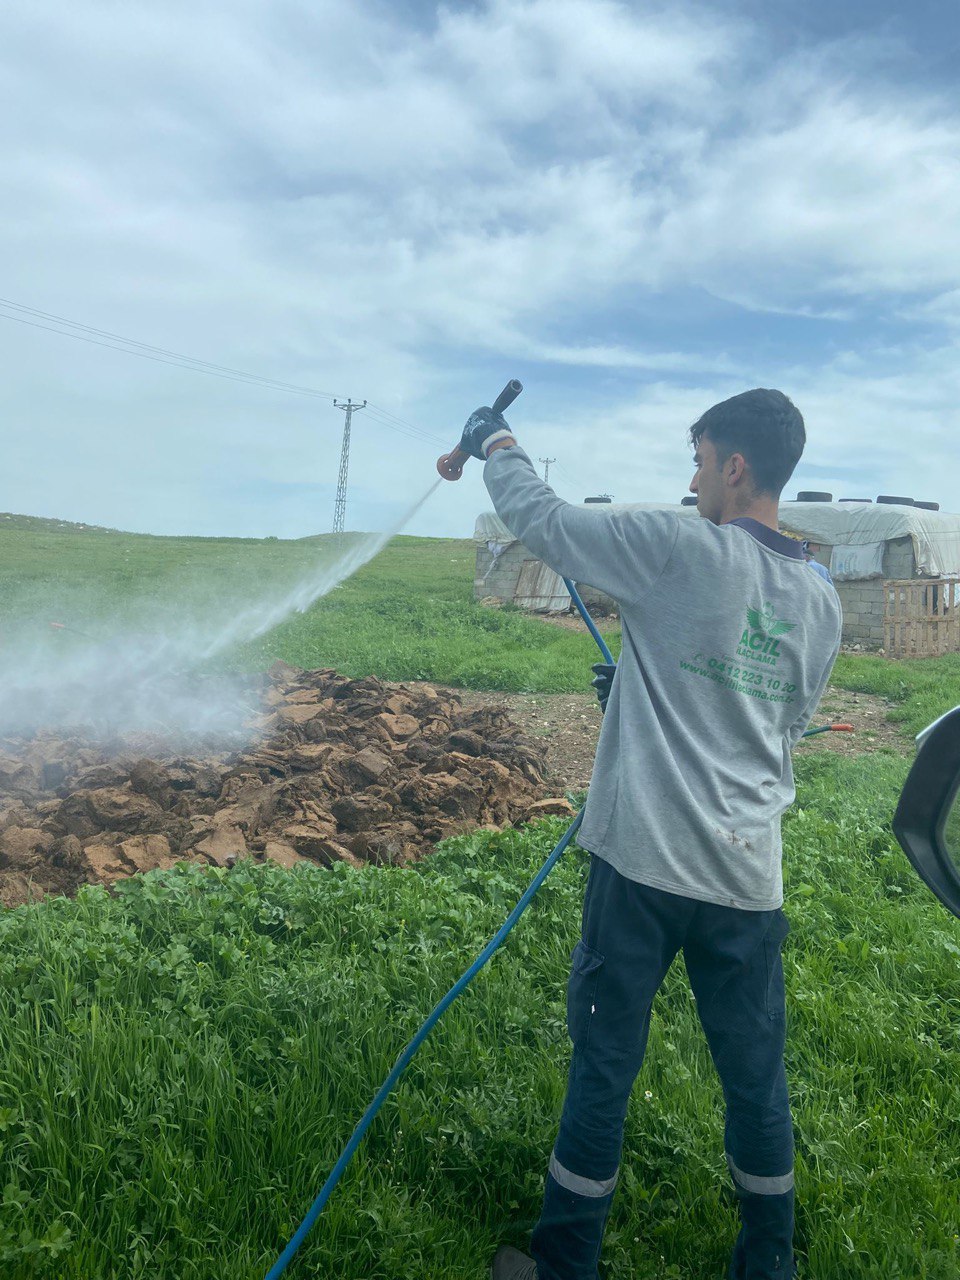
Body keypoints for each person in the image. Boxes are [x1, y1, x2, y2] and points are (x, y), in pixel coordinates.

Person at [454, 389, 843, 1280]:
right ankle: (769, 1262)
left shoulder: (675, 547)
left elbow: (544, 521)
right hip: (747, 882)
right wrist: (645, 684)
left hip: (641, 869)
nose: (692, 475)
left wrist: (496, 441)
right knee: (755, 1078)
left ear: (734, 466)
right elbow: (779, 721)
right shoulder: (820, 599)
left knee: (605, 1065)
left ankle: (565, 1264)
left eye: (700, 458)